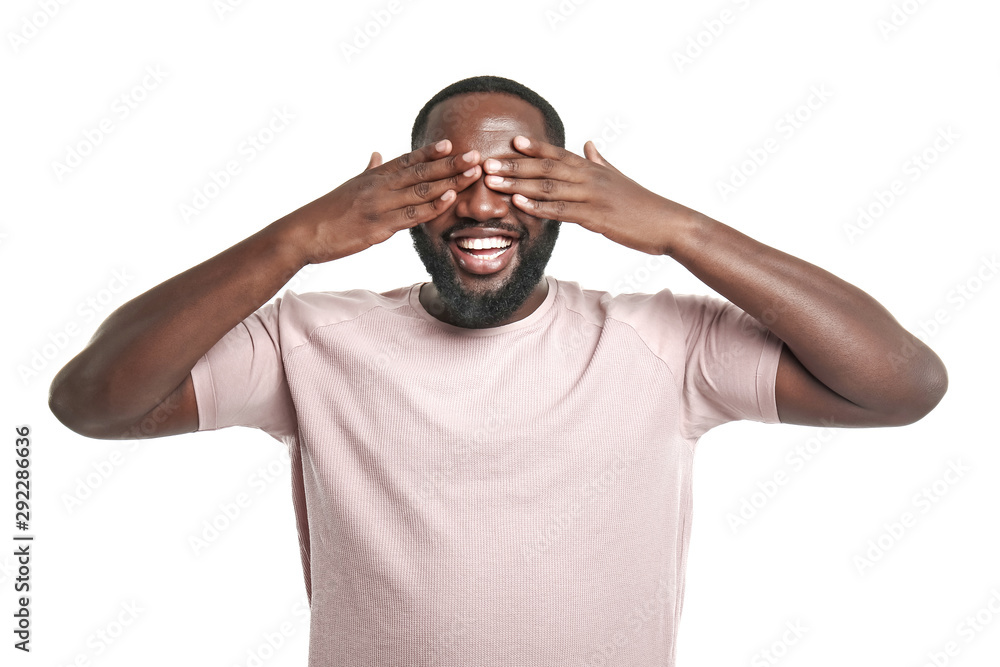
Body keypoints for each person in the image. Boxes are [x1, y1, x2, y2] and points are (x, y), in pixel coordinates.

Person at [49, 75, 948, 666]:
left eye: (522, 178)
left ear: (573, 202)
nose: (483, 204)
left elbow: (903, 383)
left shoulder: (663, 344)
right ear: (400, 198)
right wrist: (294, 242)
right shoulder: (309, 340)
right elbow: (93, 401)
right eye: (451, 177)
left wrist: (679, 230)